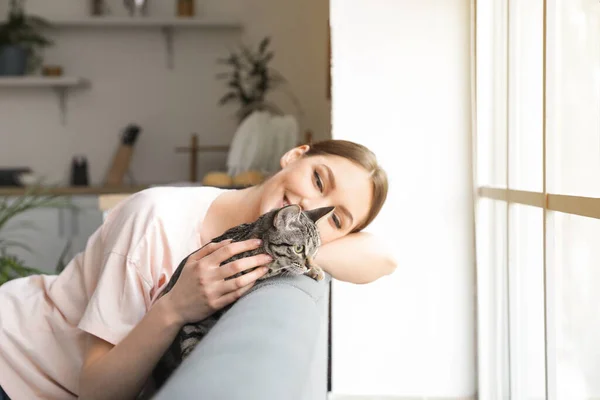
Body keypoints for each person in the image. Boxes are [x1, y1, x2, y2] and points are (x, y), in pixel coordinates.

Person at [0, 139, 394, 400]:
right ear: (294, 155)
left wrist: (295, 249)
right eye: (317, 178)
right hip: (15, 362)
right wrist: (174, 309)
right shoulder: (156, 220)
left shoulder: (282, 240)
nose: (311, 205)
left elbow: (384, 259)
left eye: (336, 219)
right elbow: (95, 390)